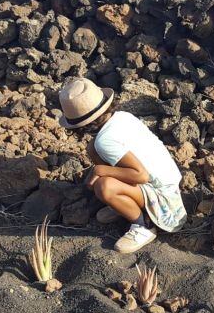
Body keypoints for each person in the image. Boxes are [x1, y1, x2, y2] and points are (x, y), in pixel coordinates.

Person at [57, 77, 186, 253]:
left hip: (164, 198)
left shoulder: (105, 141)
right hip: (168, 180)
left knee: (105, 187)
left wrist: (100, 170)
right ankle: (125, 204)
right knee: (92, 148)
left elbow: (141, 175)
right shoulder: (121, 117)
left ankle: (144, 225)